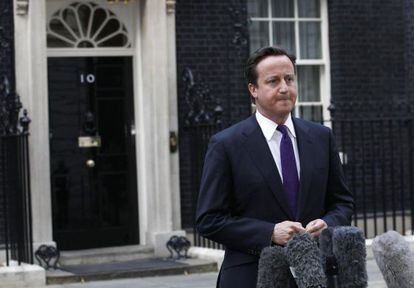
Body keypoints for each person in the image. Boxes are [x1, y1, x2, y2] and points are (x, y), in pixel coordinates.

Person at [196, 46, 354, 288]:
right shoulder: (226, 144)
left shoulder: (322, 137)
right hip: (252, 277)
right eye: (273, 81)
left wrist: (328, 224)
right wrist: (269, 233)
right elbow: (209, 220)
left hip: (315, 275)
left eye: (289, 79)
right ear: (253, 90)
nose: (284, 88)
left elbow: (342, 203)